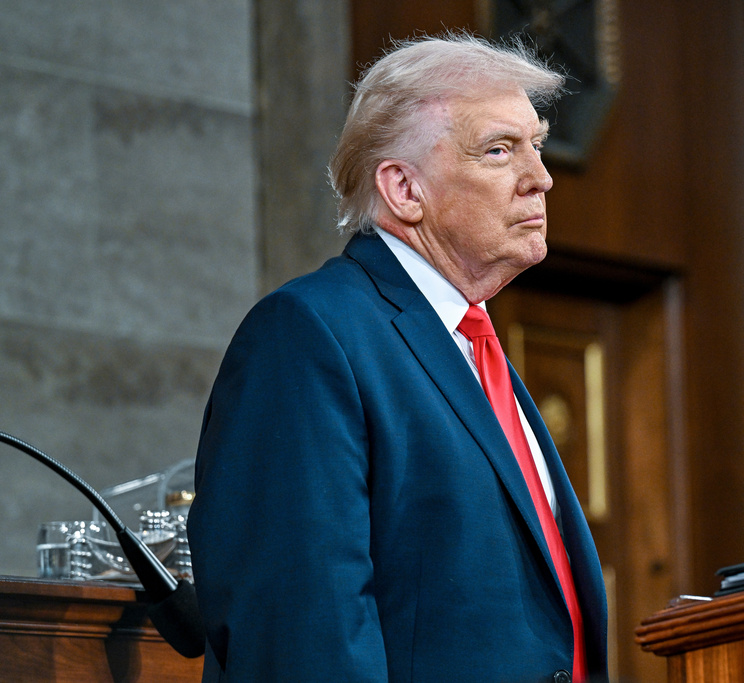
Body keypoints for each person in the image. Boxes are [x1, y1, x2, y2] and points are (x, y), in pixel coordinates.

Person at [187, 32, 608, 683]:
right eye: (499, 149)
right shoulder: (308, 337)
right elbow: (300, 636)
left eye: (537, 145)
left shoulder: (474, 347)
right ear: (405, 189)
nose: (541, 177)